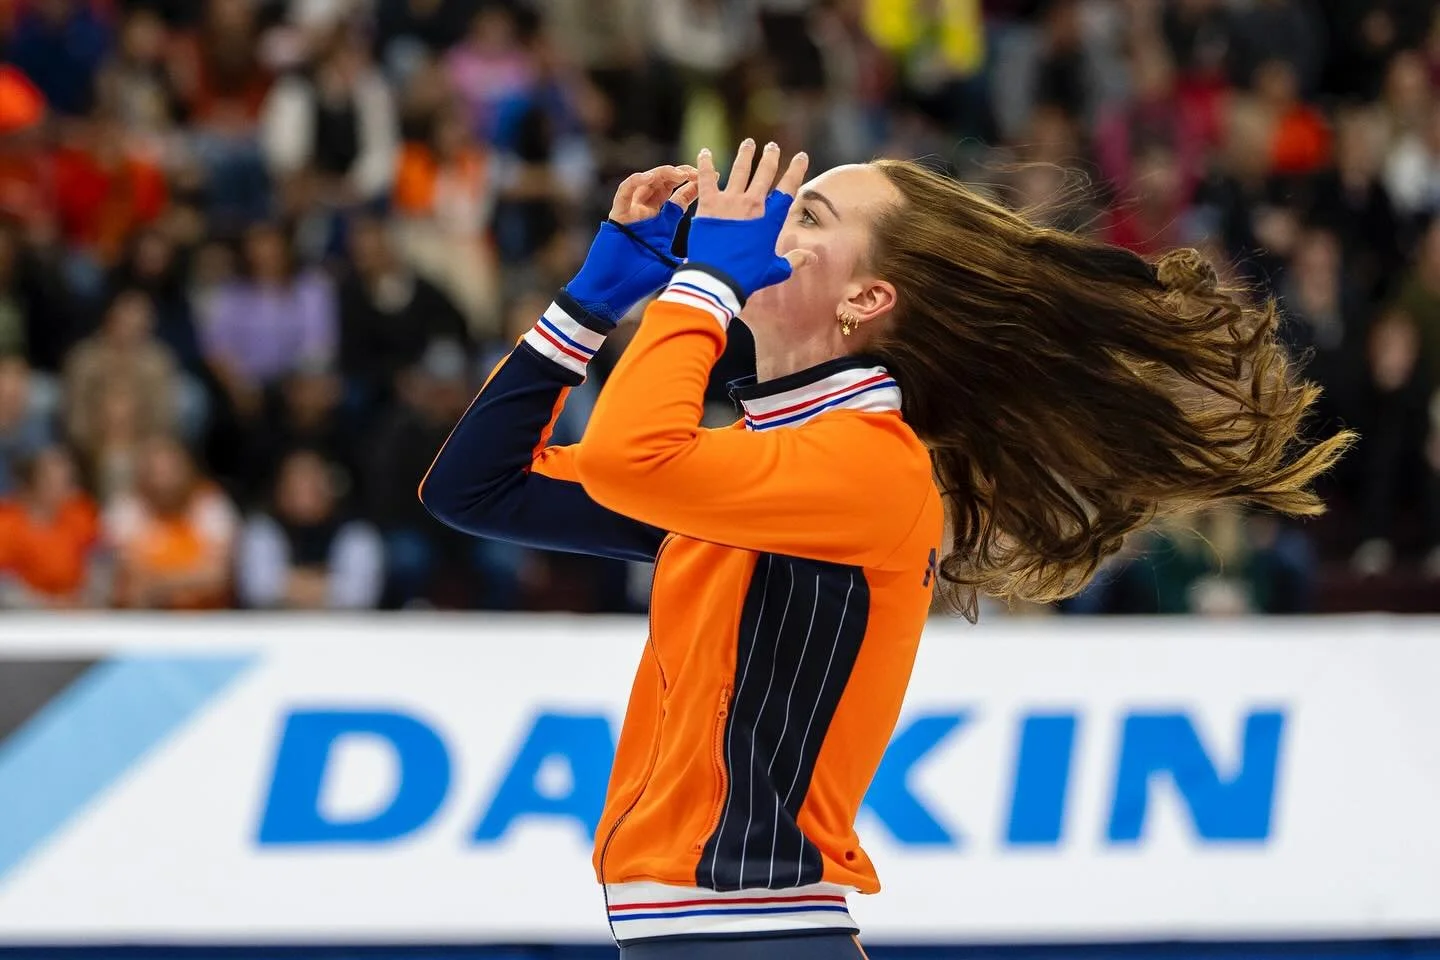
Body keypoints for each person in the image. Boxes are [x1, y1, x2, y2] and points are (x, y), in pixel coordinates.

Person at [420, 142, 1350, 957]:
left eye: (807, 212)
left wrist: (701, 285)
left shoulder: (870, 470)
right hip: (715, 935)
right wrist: (594, 298)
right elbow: (476, 488)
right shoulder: (751, 465)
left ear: (866, 298)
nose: (767, 219)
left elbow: (631, 454)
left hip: (755, 930)